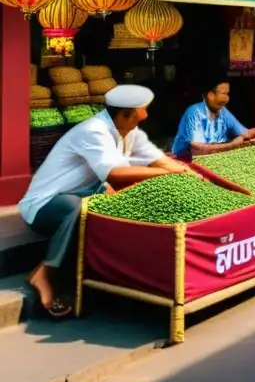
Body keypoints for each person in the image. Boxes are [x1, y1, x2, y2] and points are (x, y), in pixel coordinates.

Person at [19, 85, 198, 318]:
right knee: (78, 206)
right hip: (46, 206)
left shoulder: (128, 132)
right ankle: (46, 272)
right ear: (125, 114)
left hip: (86, 194)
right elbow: (115, 174)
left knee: (114, 203)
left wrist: (191, 175)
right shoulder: (94, 131)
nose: (144, 118)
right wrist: (169, 174)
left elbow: (159, 161)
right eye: (140, 114)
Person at [171, 76, 255, 161]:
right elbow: (198, 151)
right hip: (186, 161)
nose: (227, 98)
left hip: (213, 158)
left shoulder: (223, 111)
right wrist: (231, 145)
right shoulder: (194, 112)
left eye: (227, 94)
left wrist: (252, 134)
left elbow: (243, 133)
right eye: (223, 94)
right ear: (211, 95)